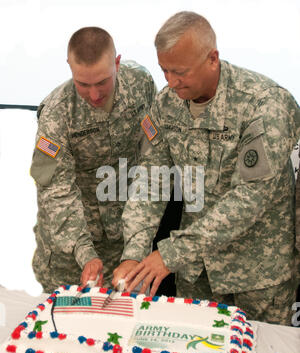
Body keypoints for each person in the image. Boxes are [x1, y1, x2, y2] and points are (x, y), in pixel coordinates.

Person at [113, 11, 300, 325]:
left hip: (258, 279)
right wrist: (133, 253)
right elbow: (150, 183)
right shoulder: (166, 104)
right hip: (196, 274)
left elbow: (249, 198)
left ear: (212, 58)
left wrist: (170, 254)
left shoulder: (266, 104)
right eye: (164, 70)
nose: (171, 82)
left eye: (180, 71)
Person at [30, 27, 156, 293]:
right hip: (72, 248)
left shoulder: (141, 85)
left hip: (127, 238)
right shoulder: (56, 114)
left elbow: (152, 162)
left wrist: (136, 246)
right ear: (69, 68)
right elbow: (56, 192)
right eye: (83, 84)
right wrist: (84, 253)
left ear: (117, 63)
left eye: (102, 82)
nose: (95, 95)